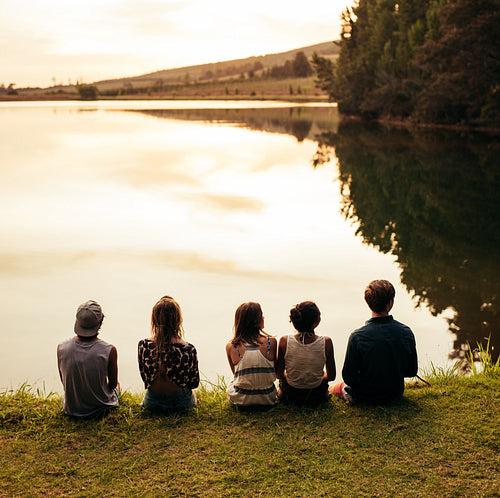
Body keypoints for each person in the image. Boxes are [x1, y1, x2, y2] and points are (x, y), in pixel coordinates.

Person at [331, 279, 418, 404]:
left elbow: (349, 378)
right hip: (395, 394)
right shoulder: (406, 332)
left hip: (363, 397)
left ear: (367, 302)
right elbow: (411, 371)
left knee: (336, 388)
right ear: (390, 303)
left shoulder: (357, 337)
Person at [57, 300, 119, 418]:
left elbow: (64, 380)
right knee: (118, 386)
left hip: (72, 409)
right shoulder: (109, 350)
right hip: (101, 409)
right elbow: (112, 385)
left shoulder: (61, 347)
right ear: (100, 323)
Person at [138, 296, 199, 413]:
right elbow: (194, 383)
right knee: (193, 393)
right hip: (181, 405)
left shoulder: (143, 345)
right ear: (178, 321)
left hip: (151, 403)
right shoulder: (188, 349)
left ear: (154, 320)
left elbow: (145, 378)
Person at [276, 301, 336, 406]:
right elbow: (331, 376)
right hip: (317, 396)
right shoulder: (326, 342)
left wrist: (294, 378)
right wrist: (316, 379)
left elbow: (279, 374)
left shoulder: (284, 341)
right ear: (317, 322)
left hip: (289, 396)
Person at [226, 302, 278, 410]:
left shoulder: (231, 346)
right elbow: (275, 371)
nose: (263, 317)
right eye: (261, 315)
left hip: (241, 400)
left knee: (232, 382)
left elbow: (236, 374)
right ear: (256, 321)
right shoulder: (271, 342)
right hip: (267, 398)